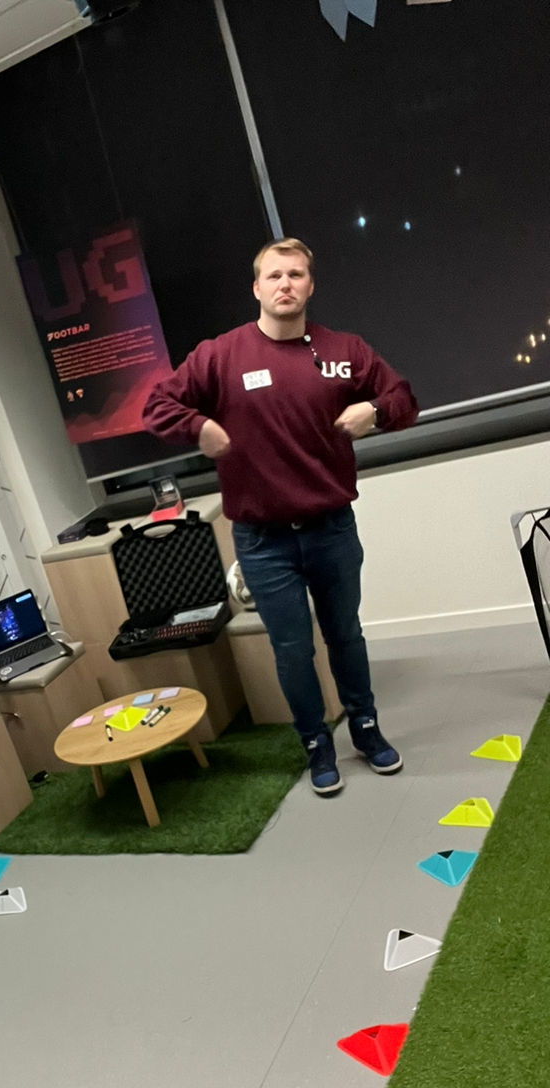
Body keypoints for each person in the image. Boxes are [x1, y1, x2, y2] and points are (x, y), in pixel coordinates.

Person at [143, 237, 419, 794]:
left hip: (331, 528)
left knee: (345, 634)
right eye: (274, 276)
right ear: (256, 288)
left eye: (295, 275)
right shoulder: (220, 356)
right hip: (263, 541)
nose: (285, 284)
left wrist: (374, 410)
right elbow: (156, 406)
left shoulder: (345, 350)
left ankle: (366, 730)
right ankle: (316, 745)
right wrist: (198, 427)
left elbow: (404, 400)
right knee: (292, 649)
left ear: (310, 286)